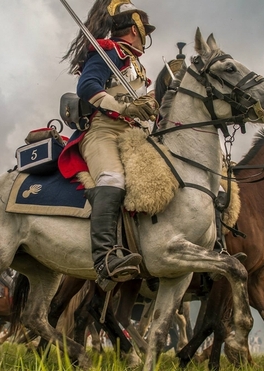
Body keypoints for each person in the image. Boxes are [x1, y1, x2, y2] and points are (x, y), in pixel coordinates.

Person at [60, 0, 158, 290]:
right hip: (102, 131)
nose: (145, 36)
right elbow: (88, 86)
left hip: (133, 134)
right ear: (134, 29)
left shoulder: (135, 64)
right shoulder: (108, 51)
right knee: (112, 178)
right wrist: (125, 108)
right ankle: (104, 258)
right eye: (144, 30)